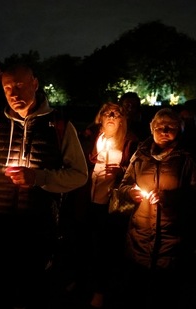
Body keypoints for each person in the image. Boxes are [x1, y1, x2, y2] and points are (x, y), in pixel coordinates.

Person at [0, 62, 88, 309]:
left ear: (35, 84)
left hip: (38, 230)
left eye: (19, 85)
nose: (14, 94)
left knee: (35, 293)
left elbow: (80, 175)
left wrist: (39, 178)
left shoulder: (59, 125)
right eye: (8, 87)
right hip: (0, 228)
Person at [115, 108, 196, 309]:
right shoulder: (140, 155)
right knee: (135, 293)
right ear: (151, 128)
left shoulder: (188, 158)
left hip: (172, 242)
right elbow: (125, 184)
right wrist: (130, 192)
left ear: (179, 129)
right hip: (140, 239)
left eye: (170, 126)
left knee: (165, 296)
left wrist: (169, 197)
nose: (164, 130)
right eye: (159, 126)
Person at [68, 102, 138, 308]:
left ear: (122, 120)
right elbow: (79, 161)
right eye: (107, 113)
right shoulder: (92, 138)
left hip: (109, 203)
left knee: (105, 248)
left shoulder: (129, 142)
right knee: (83, 243)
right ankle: (80, 281)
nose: (111, 116)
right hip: (87, 198)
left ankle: (101, 289)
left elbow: (136, 171)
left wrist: (120, 171)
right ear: (100, 117)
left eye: (116, 114)